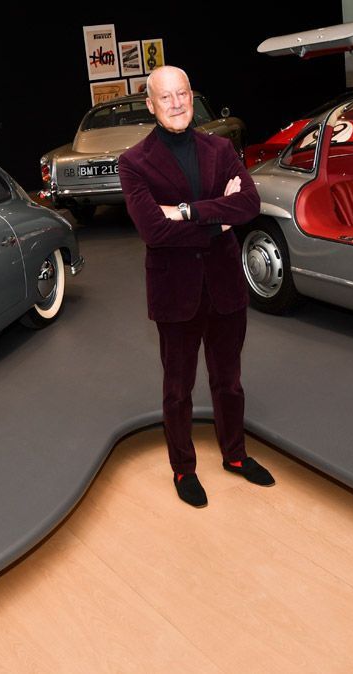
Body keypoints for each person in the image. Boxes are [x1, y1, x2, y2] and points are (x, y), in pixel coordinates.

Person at [118, 65, 275, 508]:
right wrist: (215, 218)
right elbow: (153, 231)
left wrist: (185, 212)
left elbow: (248, 203)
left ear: (192, 95)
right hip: (176, 294)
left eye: (182, 94)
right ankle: (183, 468)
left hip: (225, 287)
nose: (175, 104)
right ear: (150, 105)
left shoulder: (221, 148)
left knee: (230, 382)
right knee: (178, 388)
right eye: (164, 97)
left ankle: (236, 457)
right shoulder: (133, 163)